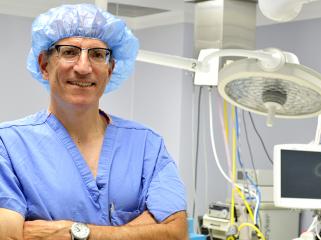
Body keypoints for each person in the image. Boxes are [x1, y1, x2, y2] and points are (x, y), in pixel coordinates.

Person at [0, 3, 187, 240]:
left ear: (110, 70)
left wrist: (77, 233)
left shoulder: (146, 145)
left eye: (97, 55)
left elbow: (175, 232)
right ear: (44, 65)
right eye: (69, 52)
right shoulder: (8, 144)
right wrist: (139, 231)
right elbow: (9, 236)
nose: (83, 67)